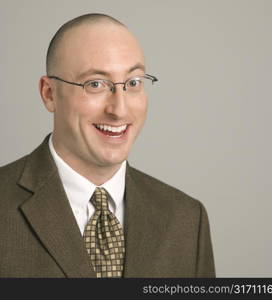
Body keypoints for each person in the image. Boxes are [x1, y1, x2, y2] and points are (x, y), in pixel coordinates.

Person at [0, 13, 215, 278]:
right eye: (96, 84)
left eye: (133, 83)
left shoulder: (186, 219)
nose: (119, 109)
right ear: (49, 94)